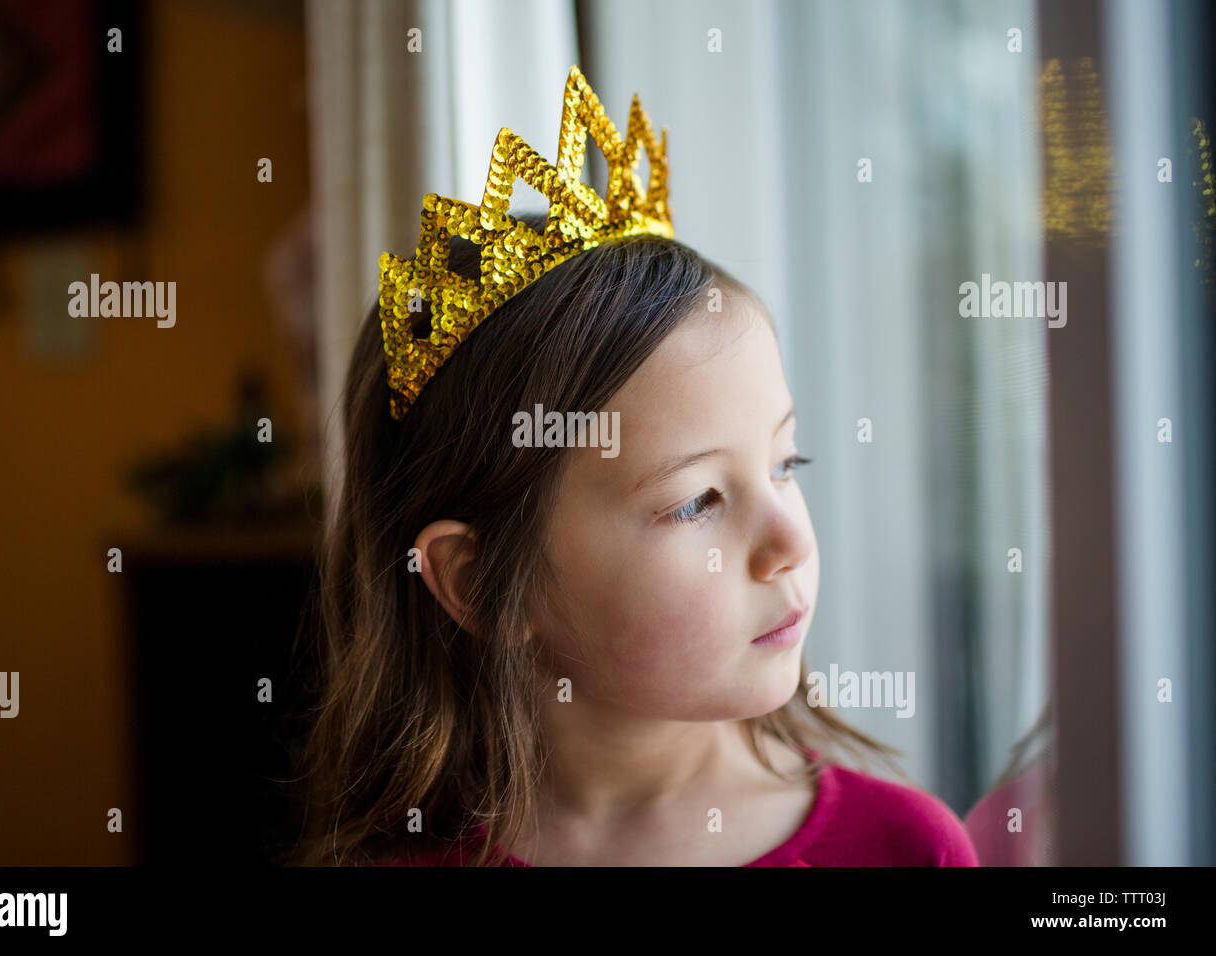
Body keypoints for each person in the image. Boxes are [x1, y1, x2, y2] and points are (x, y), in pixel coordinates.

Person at [287, 65, 978, 868]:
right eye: (697, 501)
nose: (789, 540)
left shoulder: (902, 850)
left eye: (788, 463)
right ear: (477, 582)